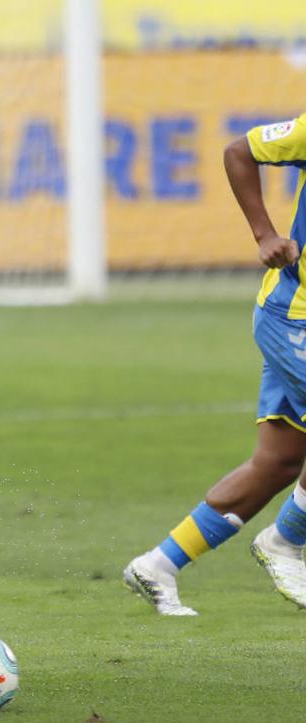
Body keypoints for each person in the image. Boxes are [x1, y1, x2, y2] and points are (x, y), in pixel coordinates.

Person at [123, 113, 306, 615]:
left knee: (279, 463)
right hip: (296, 317)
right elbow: (238, 152)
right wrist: (264, 233)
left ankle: (159, 563)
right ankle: (286, 540)